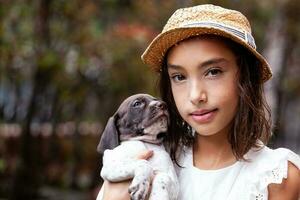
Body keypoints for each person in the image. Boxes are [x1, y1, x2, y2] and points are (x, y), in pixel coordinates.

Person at [97, 4, 300, 200]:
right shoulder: (145, 158)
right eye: (179, 77)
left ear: (245, 77)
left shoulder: (276, 175)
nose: (195, 95)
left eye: (213, 72)